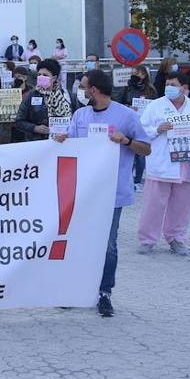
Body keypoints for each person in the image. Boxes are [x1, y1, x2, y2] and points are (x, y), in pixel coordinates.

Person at [53, 69, 151, 317]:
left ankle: (104, 292)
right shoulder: (80, 115)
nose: (82, 92)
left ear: (94, 89)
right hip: (83, 192)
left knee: (108, 245)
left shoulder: (126, 116)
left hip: (112, 193)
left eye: (85, 87)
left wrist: (127, 141)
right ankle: (76, 290)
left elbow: (146, 149)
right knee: (78, 242)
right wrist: (63, 140)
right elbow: (73, 147)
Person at [137, 72, 190, 256]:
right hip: (163, 163)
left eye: (173, 84)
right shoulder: (156, 106)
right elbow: (141, 130)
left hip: (188, 164)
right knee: (154, 204)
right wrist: (157, 129)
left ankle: (176, 238)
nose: (168, 87)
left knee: (183, 206)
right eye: (167, 84)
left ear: (185, 88)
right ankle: (147, 239)